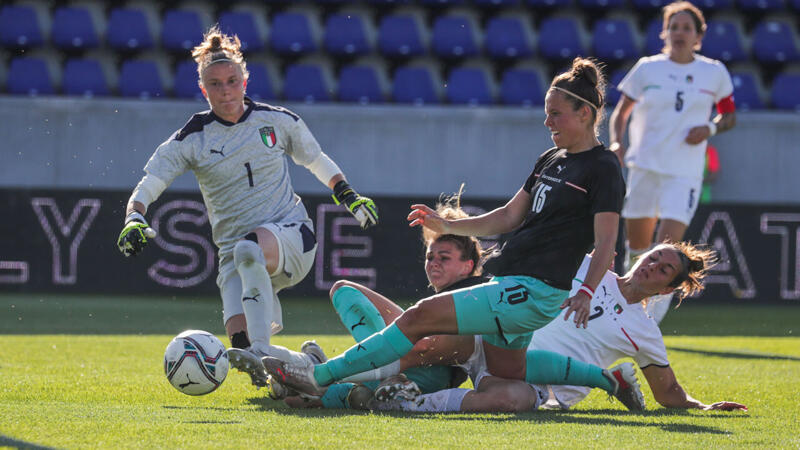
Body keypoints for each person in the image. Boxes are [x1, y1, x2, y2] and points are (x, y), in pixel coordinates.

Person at [261, 57, 626, 398]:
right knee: (506, 367)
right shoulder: (550, 158)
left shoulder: (603, 167)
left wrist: (588, 291)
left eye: (556, 115)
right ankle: (609, 379)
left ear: (585, 113)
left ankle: (318, 377)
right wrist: (446, 224)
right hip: (512, 282)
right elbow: (507, 217)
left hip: (533, 290)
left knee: (420, 316)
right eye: (547, 114)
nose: (547, 123)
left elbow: (607, 240)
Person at [115, 26, 378, 385]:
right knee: (243, 354)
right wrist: (134, 216)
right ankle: (306, 362)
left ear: (245, 80)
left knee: (249, 252)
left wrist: (347, 194)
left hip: (291, 235)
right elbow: (151, 183)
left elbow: (315, 159)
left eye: (232, 81)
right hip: (234, 255)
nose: (226, 91)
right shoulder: (192, 138)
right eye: (216, 84)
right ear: (203, 89)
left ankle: (260, 348)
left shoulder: (276, 120)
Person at [275, 199, 643, 411]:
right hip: (443, 360)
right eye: (430, 255)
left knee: (499, 387)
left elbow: (523, 363)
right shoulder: (436, 306)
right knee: (343, 288)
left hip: (467, 363)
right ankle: (343, 384)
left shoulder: (484, 293)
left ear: (469, 266)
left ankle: (325, 381)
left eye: (444, 257)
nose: (433, 262)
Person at [372, 242, 747, 413]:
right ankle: (339, 380)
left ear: (668, 288)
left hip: (533, 386)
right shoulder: (586, 265)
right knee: (424, 344)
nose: (651, 266)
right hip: (497, 344)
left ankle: (414, 404)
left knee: (509, 402)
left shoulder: (646, 333)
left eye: (664, 269)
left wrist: (705, 407)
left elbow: (668, 393)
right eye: (653, 257)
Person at [609, 1, 736, 322]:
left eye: (686, 28)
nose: (679, 33)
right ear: (665, 32)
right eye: (674, 27)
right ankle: (622, 313)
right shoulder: (648, 68)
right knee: (637, 249)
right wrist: (616, 142)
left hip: (685, 174)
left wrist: (708, 127)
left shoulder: (714, 72)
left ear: (698, 35)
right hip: (644, 167)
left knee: (667, 251)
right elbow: (622, 111)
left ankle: (646, 326)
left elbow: (729, 115)